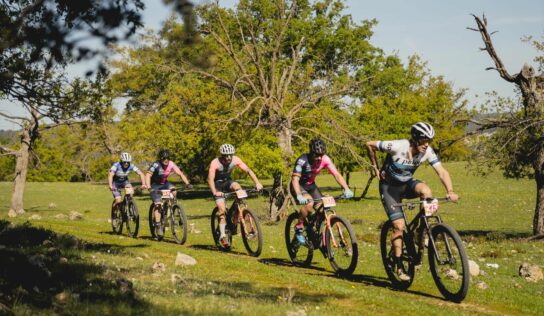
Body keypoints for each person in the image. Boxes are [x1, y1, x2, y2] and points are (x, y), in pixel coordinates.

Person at [366, 122, 459, 281]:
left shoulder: (427, 151)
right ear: (415, 138)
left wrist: (450, 191)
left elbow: (442, 172)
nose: (426, 144)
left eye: (429, 140)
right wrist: (374, 167)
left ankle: (420, 232)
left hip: (406, 184)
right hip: (389, 189)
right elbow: (369, 144)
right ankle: (399, 264)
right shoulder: (398, 146)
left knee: (426, 192)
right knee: (399, 226)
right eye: (423, 140)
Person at [290, 137, 353, 245]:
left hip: (311, 186)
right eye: (316, 155)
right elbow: (295, 179)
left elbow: (337, 175)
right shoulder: (302, 160)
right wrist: (299, 195)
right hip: (298, 186)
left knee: (322, 208)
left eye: (321, 155)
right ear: (311, 153)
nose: (319, 158)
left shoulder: (325, 159)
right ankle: (299, 227)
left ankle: (315, 231)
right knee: (309, 203)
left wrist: (346, 188)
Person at [207, 143, 263, 248]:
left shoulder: (236, 159)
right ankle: (222, 236)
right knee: (222, 210)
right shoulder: (215, 163)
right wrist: (215, 192)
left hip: (227, 182)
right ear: (222, 155)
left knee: (238, 187)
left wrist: (257, 183)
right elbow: (210, 179)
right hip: (217, 186)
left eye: (230, 155)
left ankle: (235, 214)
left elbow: (248, 170)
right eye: (226, 155)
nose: (229, 157)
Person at [146, 149, 192, 237]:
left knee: (174, 190)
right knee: (158, 204)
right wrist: (149, 187)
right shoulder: (156, 164)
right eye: (164, 158)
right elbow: (148, 175)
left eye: (167, 158)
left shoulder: (171, 164)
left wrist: (187, 183)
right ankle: (158, 225)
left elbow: (180, 174)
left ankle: (172, 206)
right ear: (161, 158)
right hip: (154, 185)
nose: (166, 160)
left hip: (164, 183)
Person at [108, 152, 147, 226]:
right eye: (124, 162)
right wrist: (110, 185)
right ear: (121, 161)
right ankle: (114, 215)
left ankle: (129, 205)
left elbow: (141, 174)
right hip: (115, 183)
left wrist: (144, 184)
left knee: (130, 192)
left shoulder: (131, 165)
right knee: (118, 200)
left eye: (128, 162)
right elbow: (110, 175)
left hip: (125, 182)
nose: (126, 164)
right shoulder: (116, 165)